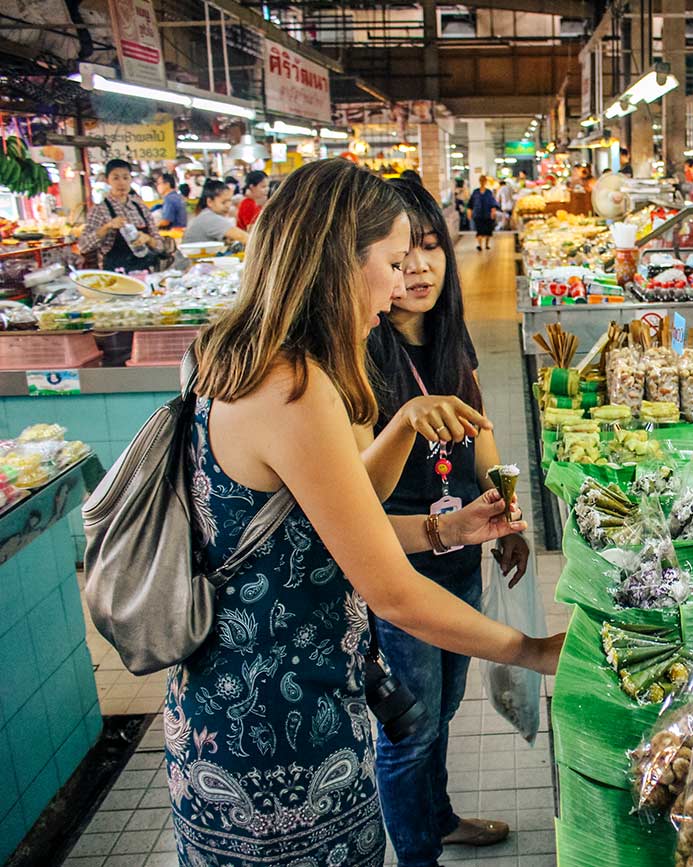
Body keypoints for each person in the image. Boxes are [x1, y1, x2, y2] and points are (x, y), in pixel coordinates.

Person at [168, 158, 563, 866]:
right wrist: (530, 650)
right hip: (282, 724)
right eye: (388, 259)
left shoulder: (231, 353)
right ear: (339, 261)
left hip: (235, 703)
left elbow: (325, 523)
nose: (398, 280)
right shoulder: (293, 386)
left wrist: (451, 526)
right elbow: (389, 586)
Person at [359, 178, 529, 865]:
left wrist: (505, 509)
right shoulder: (360, 354)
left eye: (431, 248)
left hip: (459, 558)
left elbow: (478, 432)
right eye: (402, 256)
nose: (419, 268)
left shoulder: (448, 337)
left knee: (446, 709)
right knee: (410, 730)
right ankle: (418, 855)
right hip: (399, 573)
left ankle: (440, 814)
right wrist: (441, 532)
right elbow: (353, 500)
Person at [79, 158, 165, 270]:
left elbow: (160, 246)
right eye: (115, 178)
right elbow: (83, 246)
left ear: (131, 179)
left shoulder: (141, 208)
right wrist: (107, 227)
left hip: (144, 272)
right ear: (107, 180)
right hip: (116, 275)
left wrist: (148, 239)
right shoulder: (100, 210)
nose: (121, 183)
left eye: (125, 177)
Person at [183, 179, 249, 246]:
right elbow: (243, 237)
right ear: (210, 202)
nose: (228, 206)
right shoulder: (209, 218)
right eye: (223, 202)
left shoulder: (206, 214)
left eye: (229, 201)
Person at [468, 175, 498, 251]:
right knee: (479, 230)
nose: (482, 182)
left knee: (488, 230)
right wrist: (469, 212)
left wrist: (493, 212)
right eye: (481, 181)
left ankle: (487, 244)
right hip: (478, 214)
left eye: (484, 181)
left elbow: (492, 203)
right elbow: (470, 204)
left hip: (487, 214)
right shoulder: (475, 192)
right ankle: (480, 245)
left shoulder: (488, 192)